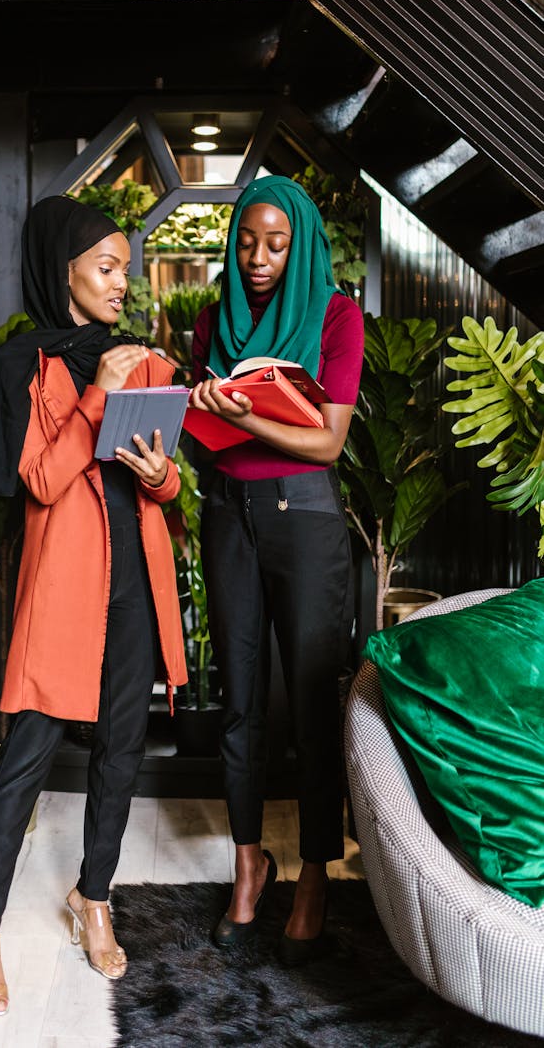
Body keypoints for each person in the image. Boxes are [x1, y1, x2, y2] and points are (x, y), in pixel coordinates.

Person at [0, 195, 187, 1015]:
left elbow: (162, 484)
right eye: (105, 266)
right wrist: (97, 395)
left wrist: (158, 468)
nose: (122, 281)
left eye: (126, 268)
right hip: (65, 581)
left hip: (136, 575)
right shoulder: (26, 365)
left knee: (122, 745)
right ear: (62, 272)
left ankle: (93, 894)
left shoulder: (145, 360)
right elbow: (44, 480)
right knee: (27, 747)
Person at [189, 174, 364, 965]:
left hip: (307, 519)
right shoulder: (211, 319)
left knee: (311, 704)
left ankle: (317, 873)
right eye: (247, 241)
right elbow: (199, 435)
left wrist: (246, 414)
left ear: (299, 243)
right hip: (228, 513)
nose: (257, 258)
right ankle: (248, 862)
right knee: (241, 701)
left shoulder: (336, 316)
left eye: (275, 242)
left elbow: (327, 442)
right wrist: (191, 410)